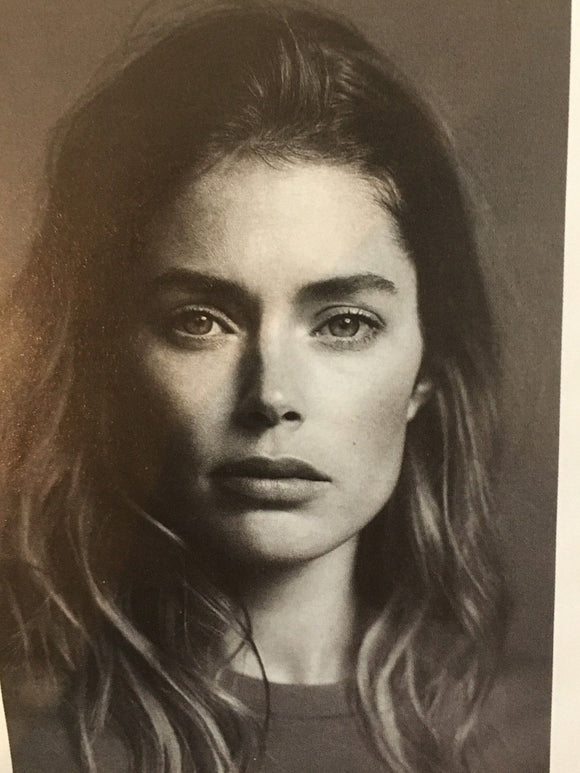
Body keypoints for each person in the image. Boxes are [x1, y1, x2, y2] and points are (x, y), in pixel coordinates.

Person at [0, 2, 508, 771]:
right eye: (200, 320)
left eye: (343, 323)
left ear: (427, 369)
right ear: (107, 358)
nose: (270, 395)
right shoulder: (27, 735)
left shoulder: (535, 729)